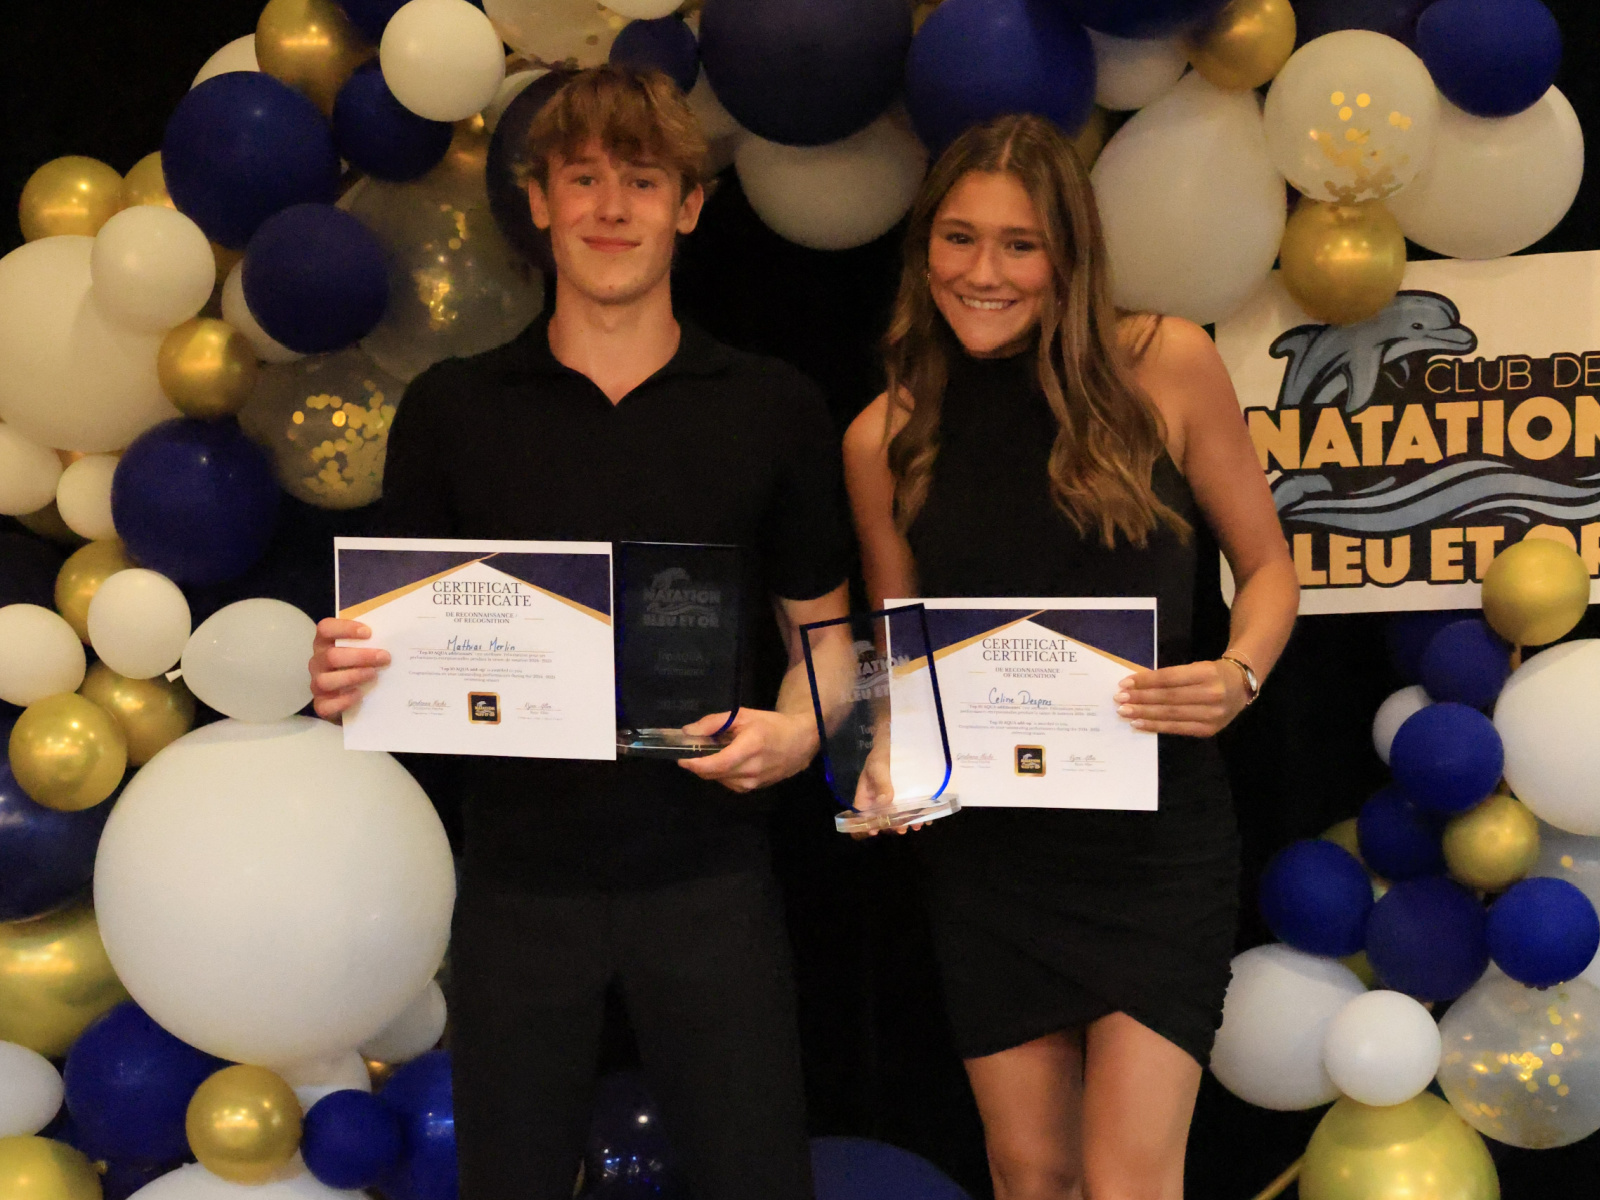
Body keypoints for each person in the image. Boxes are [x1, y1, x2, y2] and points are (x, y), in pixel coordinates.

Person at [309, 66, 852, 1200]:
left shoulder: (771, 407)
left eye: (642, 180)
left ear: (689, 206)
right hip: (517, 887)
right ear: (540, 199)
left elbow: (824, 647)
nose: (612, 207)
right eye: (585, 178)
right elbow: (389, 644)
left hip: (709, 878)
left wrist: (799, 736)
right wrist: (348, 669)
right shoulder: (455, 411)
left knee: (759, 1179)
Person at [843, 114, 1300, 1200]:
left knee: (1128, 1178)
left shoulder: (1166, 364)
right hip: (991, 859)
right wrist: (885, 758)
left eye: (1019, 244)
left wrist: (1236, 677)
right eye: (957, 239)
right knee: (1031, 1173)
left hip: (1154, 851)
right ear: (923, 251)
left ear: (1069, 255)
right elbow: (898, 655)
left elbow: (1271, 570)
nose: (983, 272)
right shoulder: (884, 435)